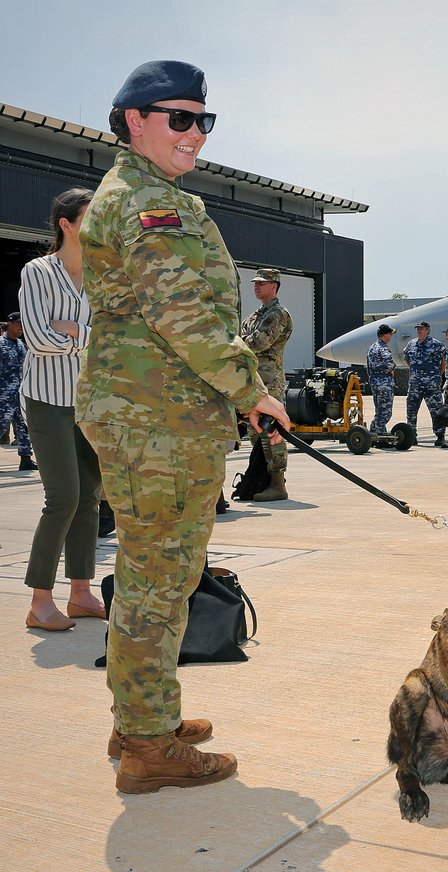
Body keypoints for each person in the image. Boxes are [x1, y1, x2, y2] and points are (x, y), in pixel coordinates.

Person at [76, 60, 289, 794]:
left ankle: (144, 717)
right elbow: (185, 315)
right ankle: (146, 744)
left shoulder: (155, 193)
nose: (196, 134)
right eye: (180, 118)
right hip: (152, 419)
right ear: (134, 120)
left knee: (157, 572)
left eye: (205, 120)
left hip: (160, 414)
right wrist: (253, 390)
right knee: (158, 576)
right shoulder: (144, 203)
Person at [19, 188, 107, 632]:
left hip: (89, 400)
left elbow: (112, 335)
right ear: (66, 224)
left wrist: (73, 331)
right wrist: (84, 335)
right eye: (90, 217)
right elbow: (36, 338)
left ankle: (81, 593)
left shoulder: (100, 273)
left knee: (90, 498)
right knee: (63, 499)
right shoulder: (37, 271)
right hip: (47, 400)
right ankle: (39, 600)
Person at [239, 267, 293, 500]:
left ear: (275, 286)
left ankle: (277, 483)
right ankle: (259, 478)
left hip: (269, 383)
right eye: (256, 282)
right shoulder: (255, 316)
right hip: (253, 381)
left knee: (273, 433)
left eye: (262, 282)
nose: (257, 286)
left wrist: (237, 344)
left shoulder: (277, 313)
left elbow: (258, 342)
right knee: (255, 431)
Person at [0, 313, 36, 471]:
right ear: (9, 323)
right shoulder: (1, 344)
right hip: (4, 395)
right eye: (18, 323)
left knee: (23, 427)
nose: (21, 327)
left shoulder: (21, 344)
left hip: (20, 394)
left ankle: (26, 459)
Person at [403, 320, 447, 445]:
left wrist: (437, 375)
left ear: (428, 330)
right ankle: (412, 435)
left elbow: (443, 362)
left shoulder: (436, 345)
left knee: (436, 411)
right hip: (415, 385)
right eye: (418, 328)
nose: (419, 331)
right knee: (411, 411)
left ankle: (440, 436)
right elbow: (407, 360)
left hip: (431, 385)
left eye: (421, 328)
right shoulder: (411, 344)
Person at [367, 323, 397, 435]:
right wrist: (391, 369)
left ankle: (374, 432)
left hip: (375, 383)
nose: (390, 337)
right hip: (384, 384)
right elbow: (389, 363)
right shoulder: (383, 348)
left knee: (379, 410)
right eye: (390, 334)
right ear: (385, 335)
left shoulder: (372, 348)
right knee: (385, 412)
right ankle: (379, 433)